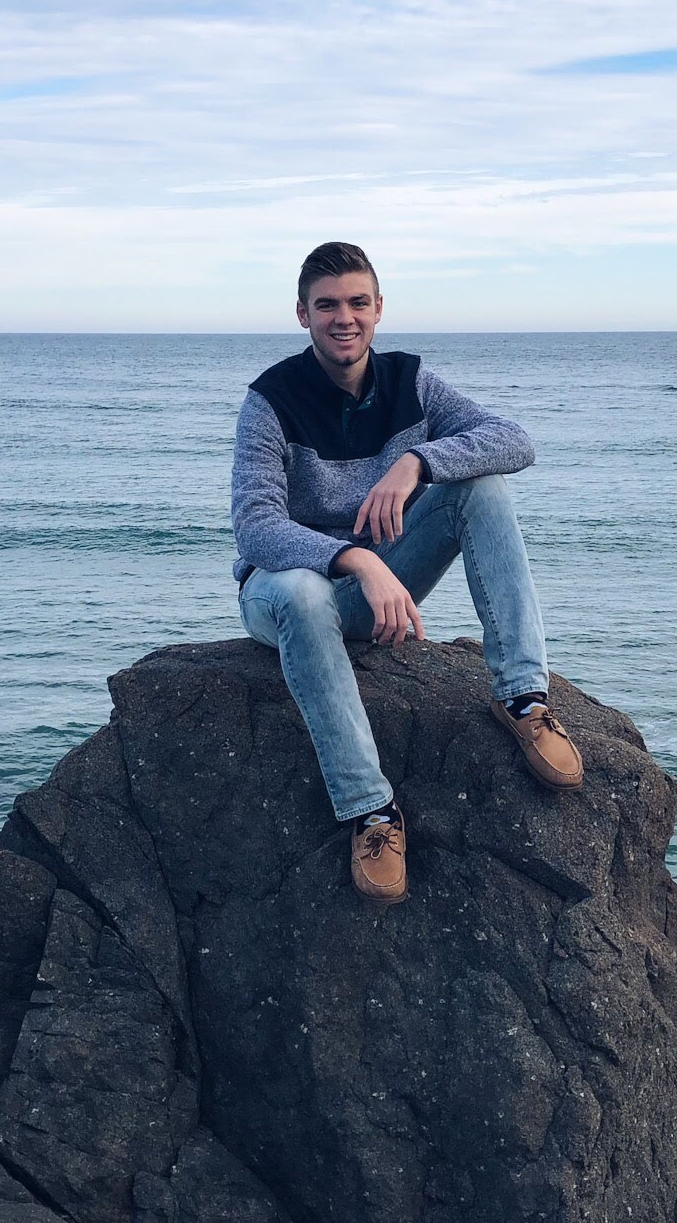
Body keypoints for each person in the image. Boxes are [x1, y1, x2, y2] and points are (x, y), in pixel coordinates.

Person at [230, 241, 584, 906]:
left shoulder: (410, 383)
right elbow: (255, 527)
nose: (344, 317)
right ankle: (372, 813)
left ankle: (522, 698)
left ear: (378, 309)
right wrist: (355, 558)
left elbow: (515, 441)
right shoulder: (271, 401)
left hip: (371, 596)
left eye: (358, 302)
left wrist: (416, 462)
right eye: (327, 305)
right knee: (305, 593)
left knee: (482, 490)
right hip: (281, 593)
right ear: (301, 314)